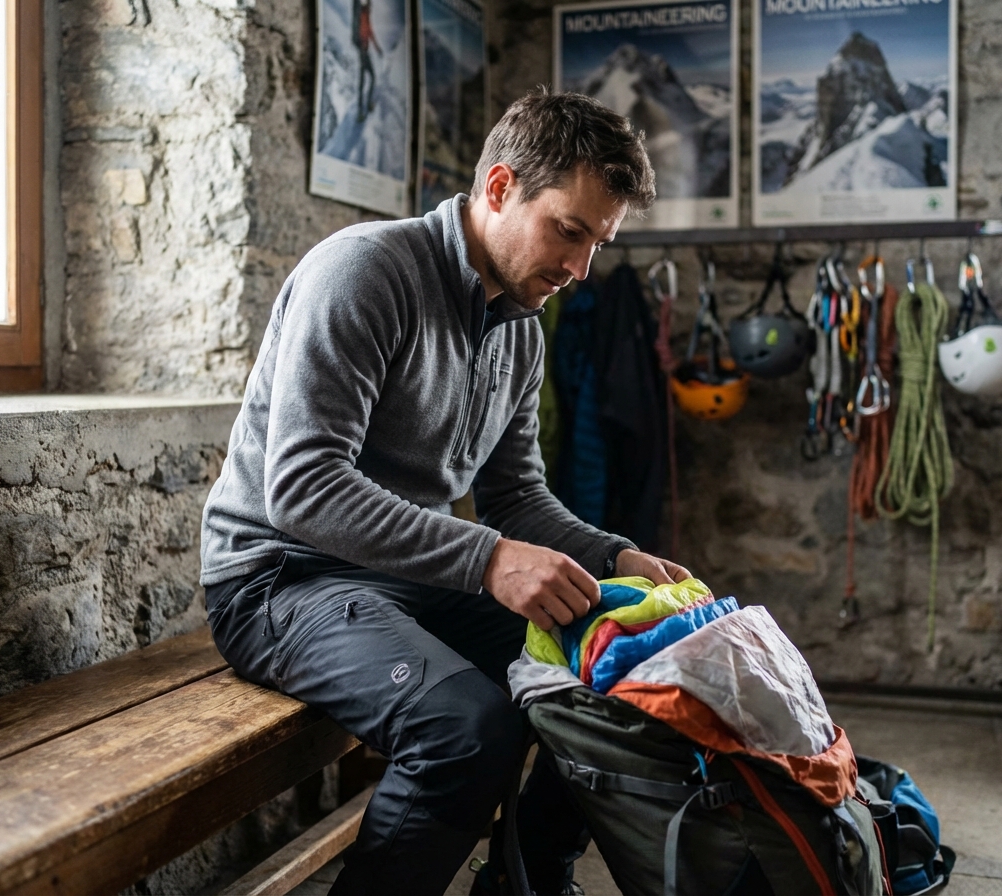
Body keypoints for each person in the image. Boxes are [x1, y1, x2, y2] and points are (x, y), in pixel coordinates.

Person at [199, 90, 690, 895]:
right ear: (499, 189)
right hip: (279, 580)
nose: (579, 269)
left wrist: (618, 557)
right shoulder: (364, 272)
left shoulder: (521, 331)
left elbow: (517, 498)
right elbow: (303, 486)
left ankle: (527, 876)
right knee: (469, 732)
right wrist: (491, 560)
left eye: (597, 244)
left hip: (403, 580)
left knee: (623, 671)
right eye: (569, 231)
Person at [354, 0, 382, 122]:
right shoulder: (363, 15)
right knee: (370, 77)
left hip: (363, 51)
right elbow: (363, 32)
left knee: (364, 80)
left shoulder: (366, 17)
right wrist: (363, 45)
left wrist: (377, 48)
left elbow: (371, 34)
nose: (371, 9)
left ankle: (362, 109)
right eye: (370, 6)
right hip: (363, 52)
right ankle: (365, 107)